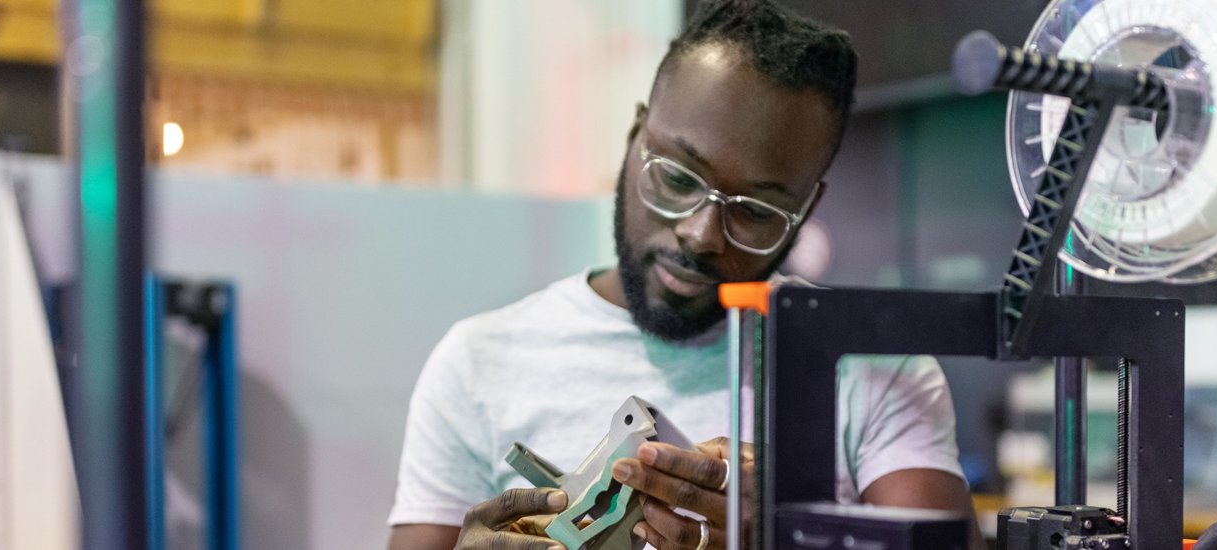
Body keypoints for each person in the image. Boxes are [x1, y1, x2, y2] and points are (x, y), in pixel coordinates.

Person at [387, 1, 977, 548]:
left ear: (805, 211)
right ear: (633, 138)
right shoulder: (477, 363)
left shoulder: (868, 366)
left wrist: (791, 530)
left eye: (753, 211)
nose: (700, 233)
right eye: (676, 178)